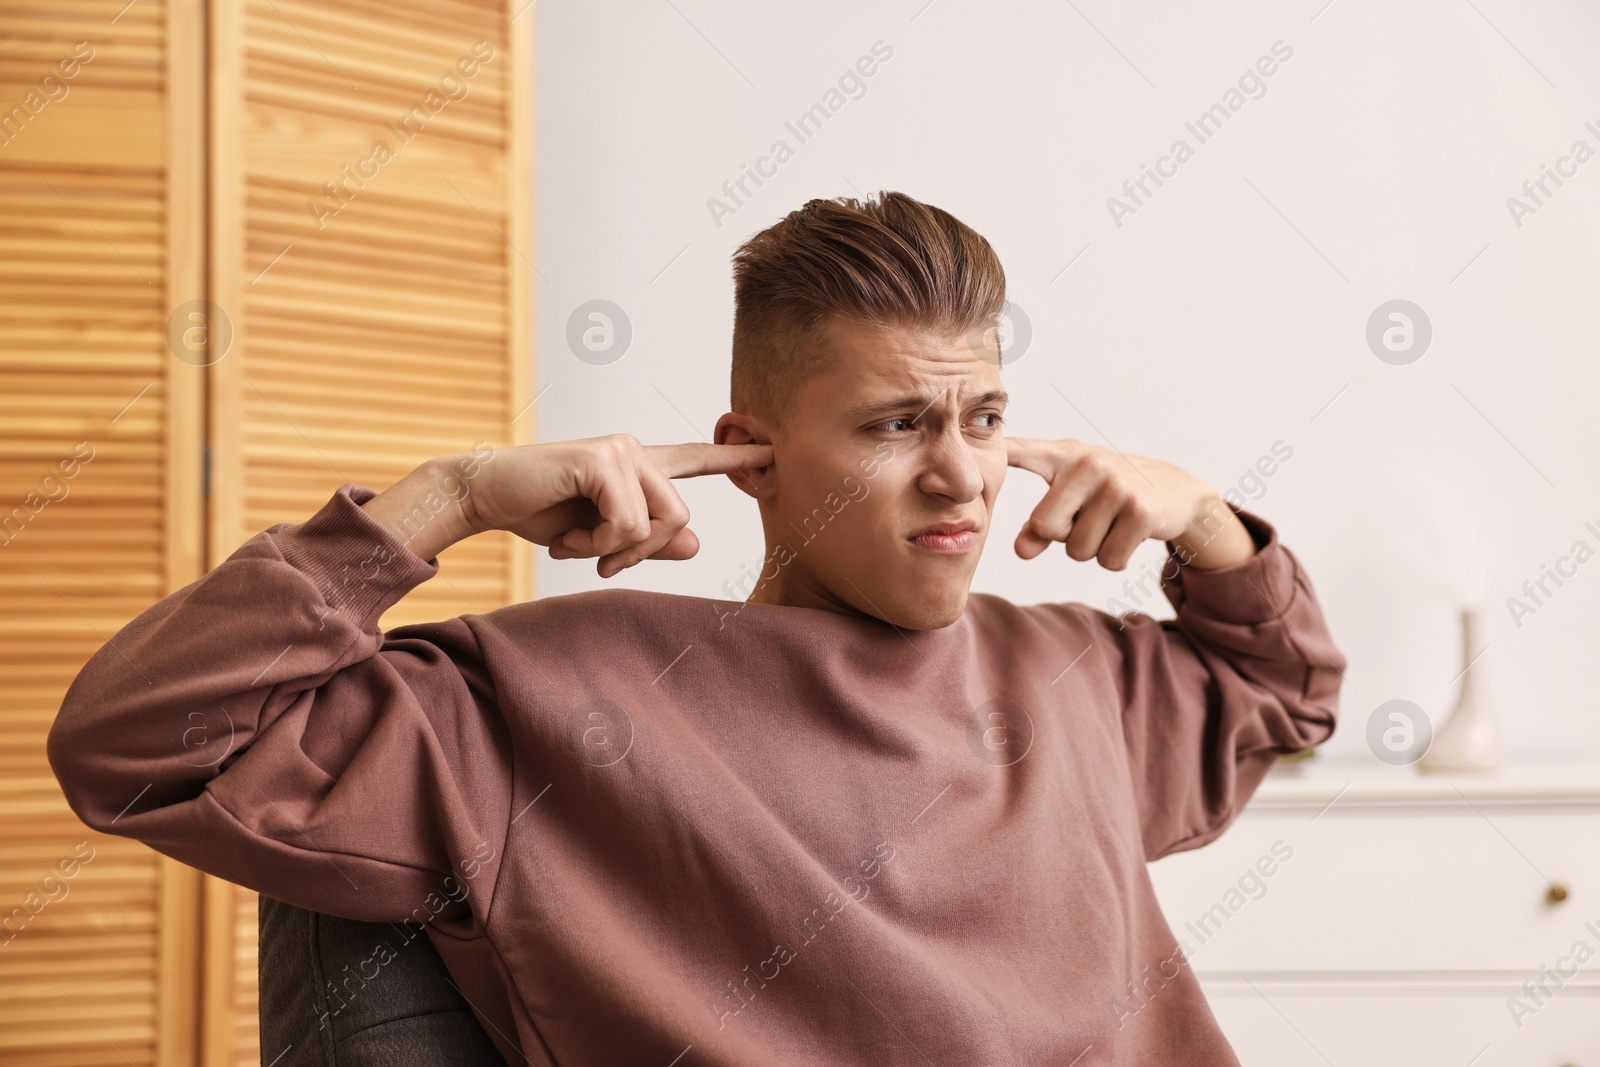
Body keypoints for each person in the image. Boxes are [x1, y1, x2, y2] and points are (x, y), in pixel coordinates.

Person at [48, 191, 1346, 1065]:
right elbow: (143, 746)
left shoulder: (1081, 674)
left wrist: (1208, 522)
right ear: (752, 455)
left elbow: (1289, 699)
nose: (962, 475)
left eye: (987, 418)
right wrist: (443, 498)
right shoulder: (540, 702)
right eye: (899, 425)